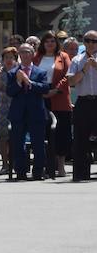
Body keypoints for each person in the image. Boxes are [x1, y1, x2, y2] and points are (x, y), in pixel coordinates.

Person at [7, 42, 53, 181]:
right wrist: (19, 82)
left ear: (33, 54)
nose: (25, 55)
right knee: (18, 144)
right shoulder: (12, 73)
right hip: (18, 113)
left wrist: (29, 82)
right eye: (22, 52)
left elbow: (45, 88)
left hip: (36, 112)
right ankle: (20, 171)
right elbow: (10, 91)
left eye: (28, 52)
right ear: (19, 55)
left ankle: (38, 172)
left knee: (38, 143)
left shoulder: (40, 72)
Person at [36, 31, 71, 178]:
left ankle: (61, 166)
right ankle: (44, 166)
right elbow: (31, 73)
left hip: (59, 96)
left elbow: (68, 75)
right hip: (40, 95)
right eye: (47, 41)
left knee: (61, 132)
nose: (50, 44)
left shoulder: (63, 56)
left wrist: (55, 90)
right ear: (42, 44)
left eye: (52, 41)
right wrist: (41, 91)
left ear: (56, 43)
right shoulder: (36, 58)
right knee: (42, 132)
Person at [67, 32, 97, 182]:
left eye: (94, 41)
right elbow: (71, 82)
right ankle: (80, 174)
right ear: (84, 42)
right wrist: (84, 69)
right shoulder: (77, 59)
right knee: (80, 140)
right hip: (83, 101)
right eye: (88, 41)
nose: (91, 43)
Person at [0, 47, 18, 175]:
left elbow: (15, 88)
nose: (8, 60)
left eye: (11, 57)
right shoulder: (0, 72)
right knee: (2, 137)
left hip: (15, 104)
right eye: (6, 58)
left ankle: (16, 162)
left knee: (14, 136)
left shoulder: (19, 71)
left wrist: (6, 87)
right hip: (1, 106)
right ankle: (5, 164)